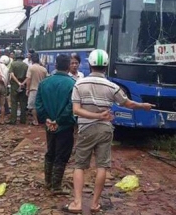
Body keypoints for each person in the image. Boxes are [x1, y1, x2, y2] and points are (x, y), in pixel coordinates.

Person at [63, 49, 155, 214]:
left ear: (90, 65)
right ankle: (95, 204)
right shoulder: (112, 86)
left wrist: (94, 115)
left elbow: (76, 110)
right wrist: (144, 106)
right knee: (102, 166)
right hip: (105, 129)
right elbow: (128, 104)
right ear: (106, 67)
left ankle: (77, 203)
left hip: (86, 129)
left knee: (79, 166)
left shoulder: (79, 84)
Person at [35, 54, 76, 195]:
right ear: (68, 66)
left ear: (55, 65)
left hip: (49, 126)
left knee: (50, 151)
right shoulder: (72, 84)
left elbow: (38, 104)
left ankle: (48, 181)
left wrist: (47, 119)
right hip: (64, 126)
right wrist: (58, 121)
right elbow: (71, 107)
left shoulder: (44, 83)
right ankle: (56, 186)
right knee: (62, 154)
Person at [26, 53, 48, 126]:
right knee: (41, 105)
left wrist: (27, 89)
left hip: (33, 89)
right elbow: (47, 79)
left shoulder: (31, 68)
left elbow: (28, 79)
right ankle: (43, 120)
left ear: (32, 60)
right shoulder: (44, 69)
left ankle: (35, 121)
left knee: (33, 106)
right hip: (42, 90)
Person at [7, 50, 28, 125]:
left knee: (14, 103)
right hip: (23, 85)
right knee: (23, 103)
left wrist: (18, 82)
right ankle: (23, 120)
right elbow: (28, 77)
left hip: (15, 85)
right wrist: (22, 83)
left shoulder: (13, 64)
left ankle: (13, 120)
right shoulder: (25, 65)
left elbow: (11, 74)